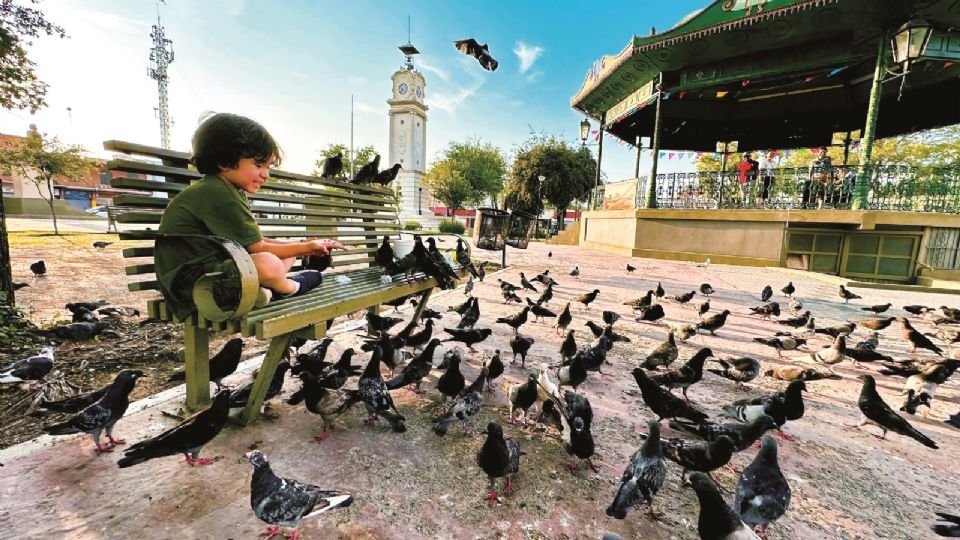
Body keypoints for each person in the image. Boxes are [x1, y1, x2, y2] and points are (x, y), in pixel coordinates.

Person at [155, 113, 346, 318]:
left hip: (218, 273)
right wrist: (306, 247)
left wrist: (300, 245)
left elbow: (256, 241)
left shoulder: (225, 188)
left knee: (281, 255)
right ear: (224, 161)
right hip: (198, 287)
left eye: (268, 167)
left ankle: (263, 292)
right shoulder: (218, 193)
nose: (266, 174)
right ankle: (291, 287)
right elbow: (257, 248)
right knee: (268, 262)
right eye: (259, 165)